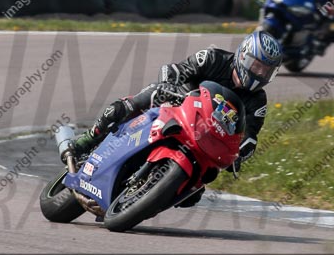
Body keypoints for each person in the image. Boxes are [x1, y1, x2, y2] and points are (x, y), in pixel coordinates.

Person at [63, 29, 283, 206]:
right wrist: (170, 85)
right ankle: (87, 140)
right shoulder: (214, 58)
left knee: (194, 193)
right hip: (177, 105)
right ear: (244, 55)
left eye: (267, 72)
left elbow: (250, 136)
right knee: (132, 104)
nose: (260, 74)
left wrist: (239, 153)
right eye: (257, 66)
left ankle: (148, 196)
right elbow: (178, 69)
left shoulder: (258, 101)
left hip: (205, 139)